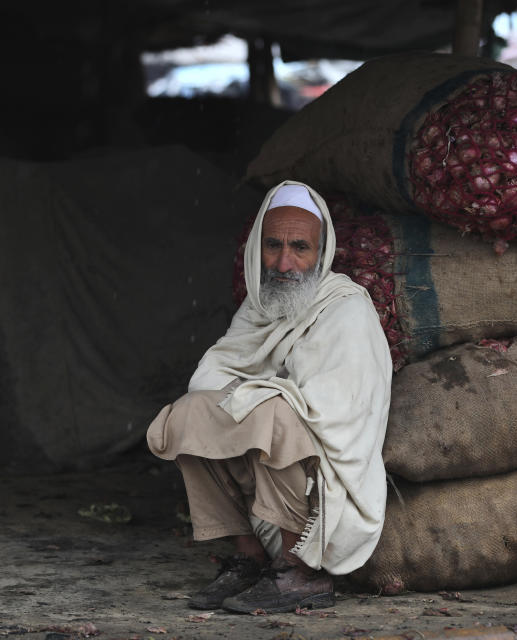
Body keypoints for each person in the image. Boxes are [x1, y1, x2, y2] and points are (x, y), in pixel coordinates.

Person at [146, 181, 392, 614]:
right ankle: (250, 556)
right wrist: (249, 400)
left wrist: (256, 398)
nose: (284, 263)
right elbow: (211, 375)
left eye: (300, 247)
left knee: (272, 416)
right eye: (273, 246)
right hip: (268, 456)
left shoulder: (347, 307)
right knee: (189, 415)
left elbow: (334, 412)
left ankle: (300, 570)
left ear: (322, 251)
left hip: (325, 478)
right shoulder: (261, 304)